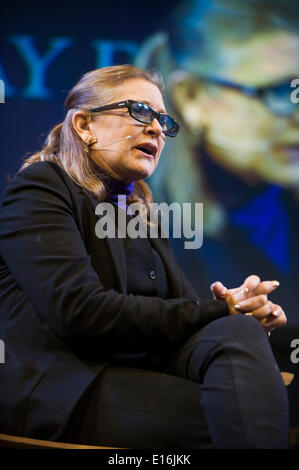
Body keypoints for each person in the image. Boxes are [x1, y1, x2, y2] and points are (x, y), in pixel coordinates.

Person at [0, 65, 289, 449]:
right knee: (243, 411)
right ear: (85, 125)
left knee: (238, 335)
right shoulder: (41, 189)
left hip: (134, 371)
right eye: (139, 111)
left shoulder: (139, 212)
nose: (156, 128)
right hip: (64, 387)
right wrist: (220, 310)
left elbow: (187, 316)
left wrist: (244, 312)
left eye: (163, 120)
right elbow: (80, 313)